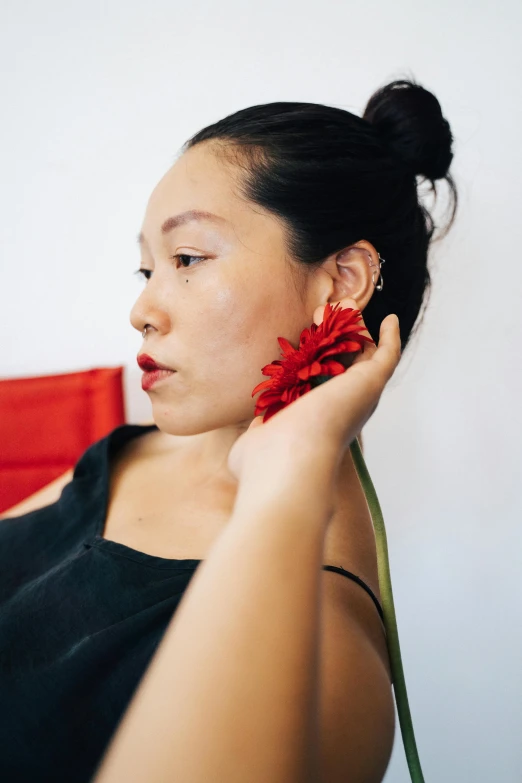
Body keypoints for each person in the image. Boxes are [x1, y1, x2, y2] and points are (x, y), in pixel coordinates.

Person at [0, 77, 457, 783]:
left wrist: (289, 466)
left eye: (187, 259)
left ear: (342, 280)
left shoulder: (329, 657)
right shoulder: (127, 454)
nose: (141, 309)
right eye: (147, 266)